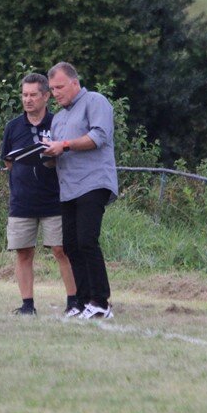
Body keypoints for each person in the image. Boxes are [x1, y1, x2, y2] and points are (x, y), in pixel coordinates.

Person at [42, 62, 119, 320]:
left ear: (75, 82)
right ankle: (85, 301)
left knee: (87, 240)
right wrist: (45, 154)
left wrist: (63, 145)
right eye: (52, 89)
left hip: (93, 182)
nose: (56, 93)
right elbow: (58, 155)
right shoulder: (59, 117)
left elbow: (98, 137)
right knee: (71, 245)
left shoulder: (95, 101)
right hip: (69, 188)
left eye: (60, 87)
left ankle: (101, 301)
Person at [1, 73, 76, 316]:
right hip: (22, 201)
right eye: (24, 95)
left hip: (55, 199)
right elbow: (8, 162)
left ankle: (74, 302)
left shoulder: (59, 123)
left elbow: (68, 154)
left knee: (61, 250)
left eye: (34, 95)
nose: (28, 99)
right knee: (24, 252)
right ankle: (27, 305)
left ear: (46, 96)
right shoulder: (13, 127)